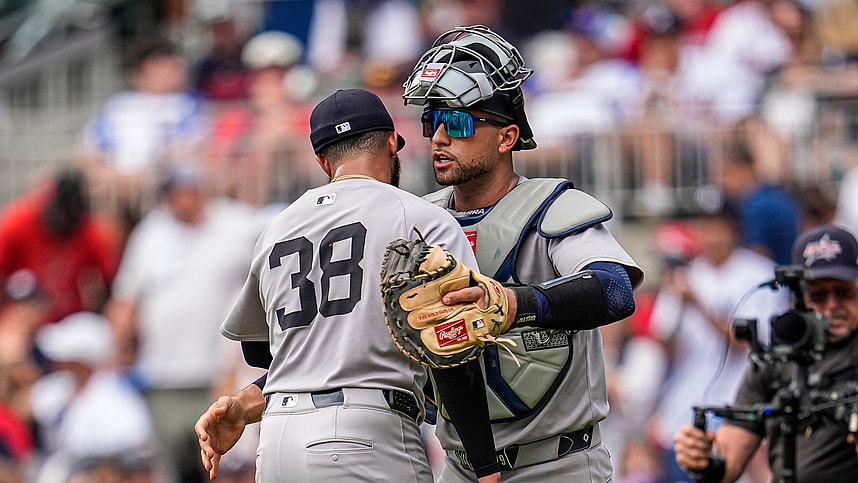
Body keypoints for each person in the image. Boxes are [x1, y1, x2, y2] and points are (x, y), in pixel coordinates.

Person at [197, 25, 644, 482]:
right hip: (463, 466)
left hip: (555, 461)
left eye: (460, 122)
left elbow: (614, 288)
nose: (440, 138)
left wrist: (513, 303)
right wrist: (251, 400)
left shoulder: (551, 207)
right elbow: (352, 351)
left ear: (507, 137)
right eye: (433, 123)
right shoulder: (412, 219)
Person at [207, 88, 503, 482]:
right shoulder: (419, 218)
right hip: (366, 436)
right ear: (391, 142)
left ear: (323, 161)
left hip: (278, 440)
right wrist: (485, 466)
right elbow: (452, 349)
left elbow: (259, 350)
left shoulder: (277, 227)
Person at [104, 163, 261, 483]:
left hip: (217, 375)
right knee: (168, 469)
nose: (180, 199)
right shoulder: (151, 231)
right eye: (173, 192)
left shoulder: (238, 224)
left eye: (186, 190)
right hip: (162, 376)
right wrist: (116, 352)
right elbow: (127, 297)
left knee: (217, 466)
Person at [673, 224, 858, 482]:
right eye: (818, 295)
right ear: (799, 297)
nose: (832, 306)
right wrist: (702, 458)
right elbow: (728, 462)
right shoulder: (778, 357)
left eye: (843, 293)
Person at [0, 168, 120, 324]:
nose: (66, 222)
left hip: (67, 325)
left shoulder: (85, 230)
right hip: (22, 322)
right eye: (63, 214)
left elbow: (111, 279)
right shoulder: (17, 223)